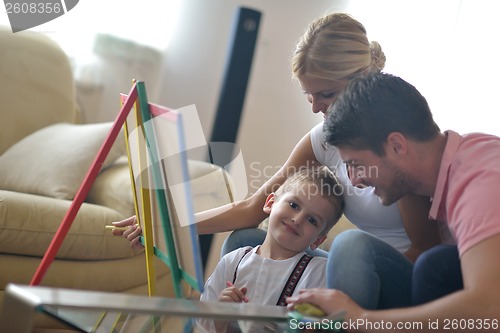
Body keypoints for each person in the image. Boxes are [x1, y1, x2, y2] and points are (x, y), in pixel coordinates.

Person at [112, 13, 441, 309]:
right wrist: (168, 224)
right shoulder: (324, 138)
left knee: (351, 245)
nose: (316, 108)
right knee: (246, 241)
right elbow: (256, 207)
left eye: (326, 95)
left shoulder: (398, 145)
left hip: (400, 278)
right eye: (309, 96)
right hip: (350, 268)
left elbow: (425, 252)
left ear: (360, 82)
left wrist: (343, 280)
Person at [286, 72, 500, 332]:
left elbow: (490, 311)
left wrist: (360, 319)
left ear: (397, 145)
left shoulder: (480, 180)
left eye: (356, 165)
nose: (355, 181)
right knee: (434, 266)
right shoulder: (463, 159)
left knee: (434, 266)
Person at [197, 167, 344, 332]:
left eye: (312, 220)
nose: (297, 219)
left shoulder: (318, 273)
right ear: (270, 203)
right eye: (294, 205)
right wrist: (220, 315)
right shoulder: (232, 262)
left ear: (318, 240)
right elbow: (203, 325)